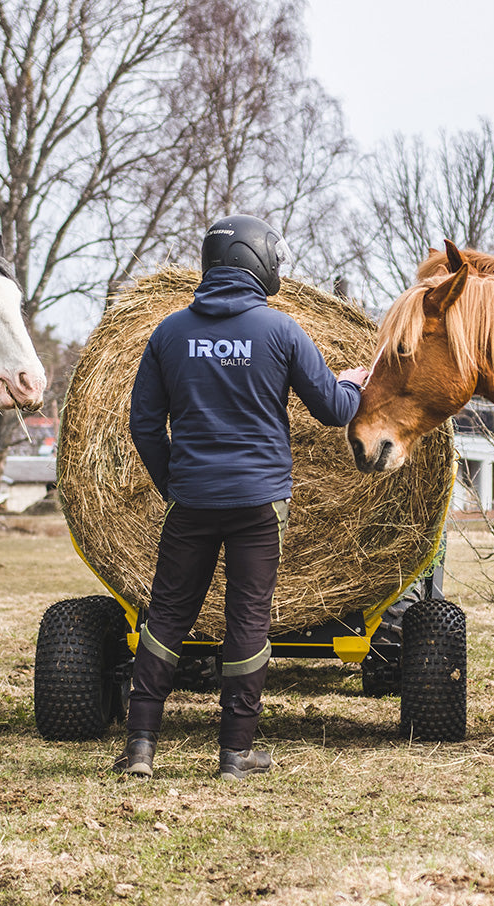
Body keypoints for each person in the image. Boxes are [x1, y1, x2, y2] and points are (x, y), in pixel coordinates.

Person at [115, 214, 369, 781]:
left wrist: (175, 483)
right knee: (248, 618)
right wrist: (353, 383)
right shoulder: (280, 330)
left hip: (192, 500)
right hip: (259, 503)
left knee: (167, 615)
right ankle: (235, 753)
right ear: (256, 262)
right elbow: (334, 409)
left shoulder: (169, 333)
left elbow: (143, 425)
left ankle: (140, 749)